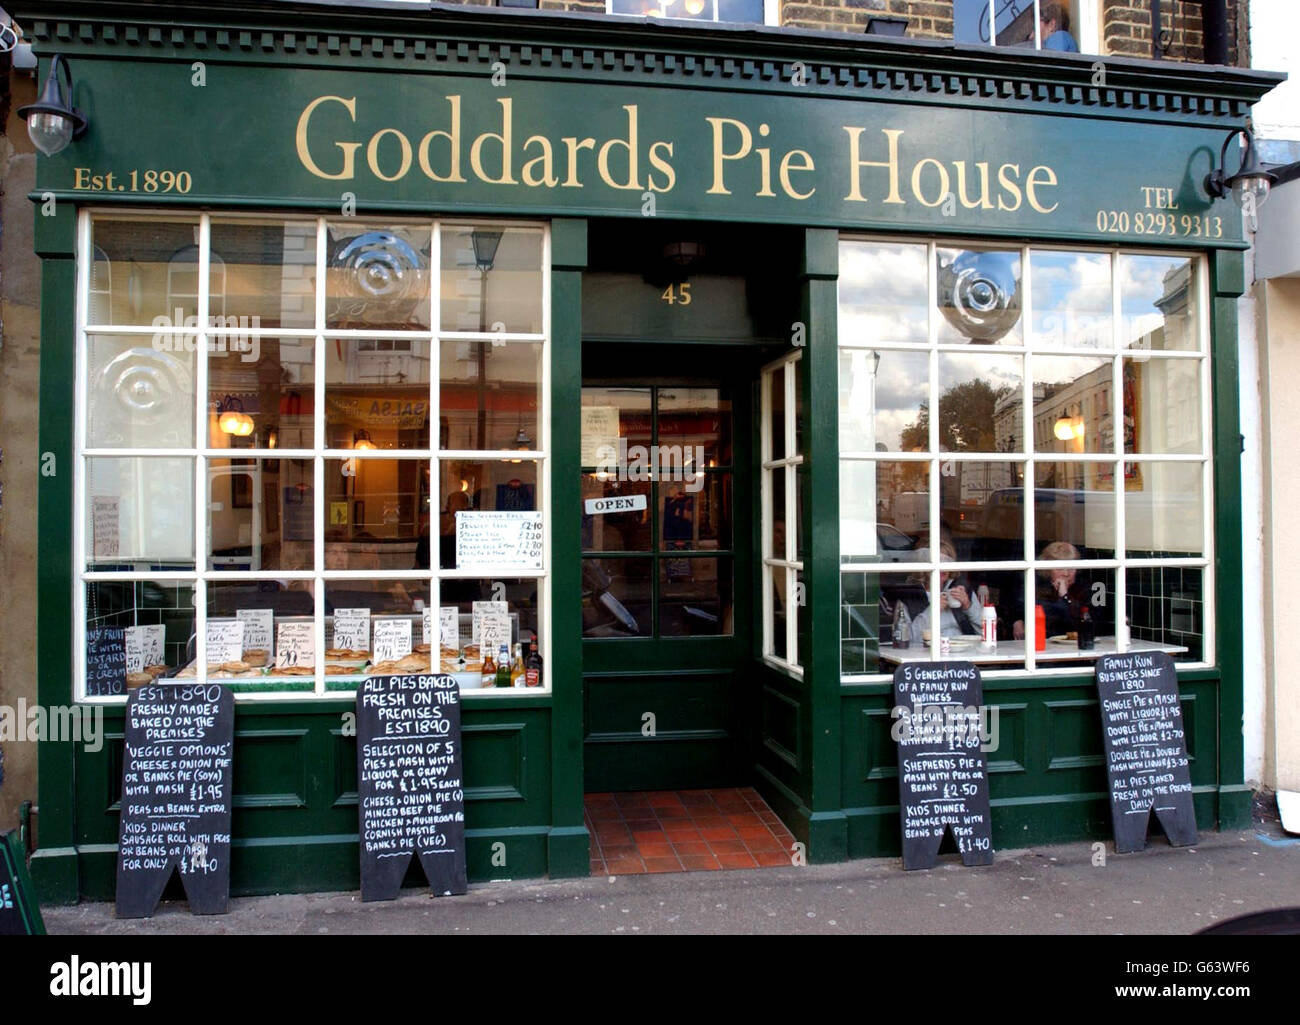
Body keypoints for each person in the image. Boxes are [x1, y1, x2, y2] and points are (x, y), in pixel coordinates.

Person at [1012, 540, 1091, 639]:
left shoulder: (1084, 589)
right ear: (1048, 570)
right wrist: (1016, 621)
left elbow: (1079, 623)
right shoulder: (1037, 586)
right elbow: (1017, 607)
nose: (1066, 574)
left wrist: (1065, 596)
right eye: (1059, 569)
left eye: (1071, 568)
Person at [911, 540, 984, 640]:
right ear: (924, 565)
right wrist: (932, 611)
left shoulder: (962, 589)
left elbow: (985, 632)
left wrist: (968, 606)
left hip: (964, 650)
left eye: (946, 562)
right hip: (927, 652)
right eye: (937, 561)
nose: (942, 567)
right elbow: (908, 638)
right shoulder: (910, 595)